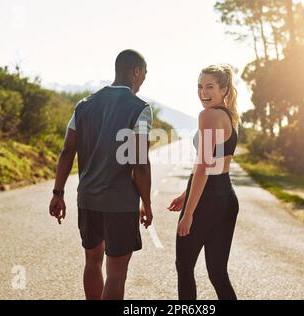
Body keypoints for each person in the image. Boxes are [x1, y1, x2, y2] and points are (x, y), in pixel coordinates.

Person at [49, 49, 153, 300]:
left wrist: (58, 193)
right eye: (144, 75)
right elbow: (139, 163)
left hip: (87, 199)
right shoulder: (140, 108)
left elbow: (67, 151)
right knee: (117, 274)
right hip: (119, 202)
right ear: (136, 72)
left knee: (92, 261)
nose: (143, 81)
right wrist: (146, 203)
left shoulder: (83, 105)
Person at [168, 64, 240, 300]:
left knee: (184, 267)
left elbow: (203, 166)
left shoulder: (208, 115)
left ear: (224, 89)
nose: (203, 92)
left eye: (209, 86)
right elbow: (216, 165)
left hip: (207, 202)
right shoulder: (229, 116)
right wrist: (186, 194)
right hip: (226, 198)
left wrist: (189, 212)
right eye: (199, 86)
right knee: (218, 274)